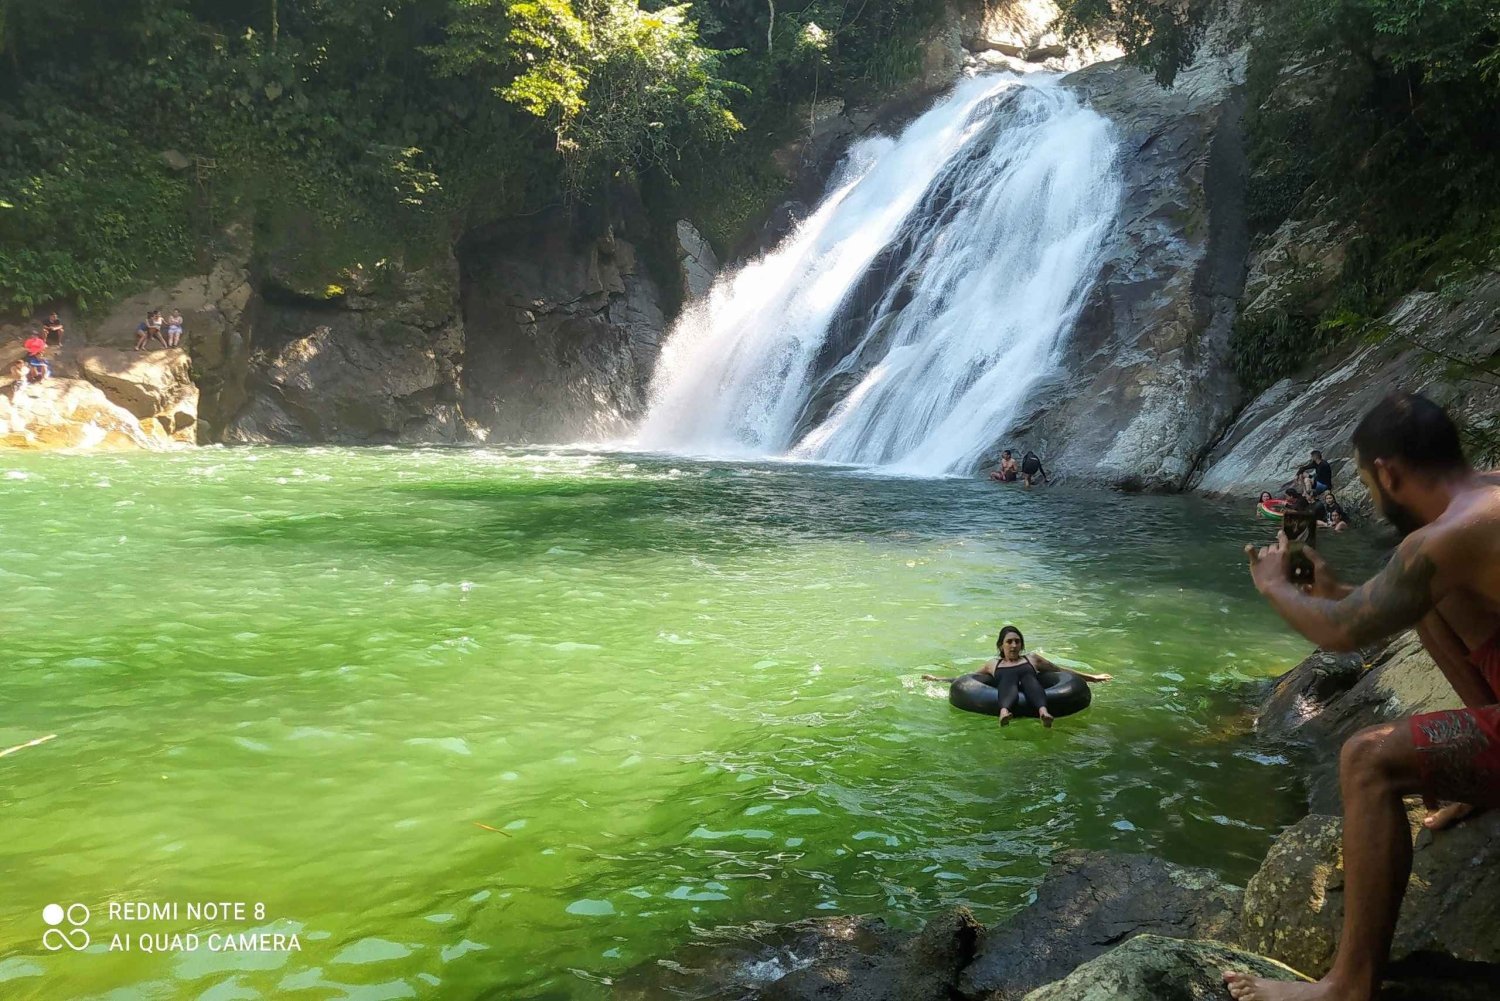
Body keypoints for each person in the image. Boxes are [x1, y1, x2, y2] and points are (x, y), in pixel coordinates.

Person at [1227, 392, 1500, 1001]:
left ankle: (1346, 987)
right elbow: (1378, 605)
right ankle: (1479, 778)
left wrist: (1276, 585)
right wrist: (1338, 589)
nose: (1370, 499)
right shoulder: (1480, 503)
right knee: (1433, 604)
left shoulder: (1444, 539)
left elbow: (1340, 632)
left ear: (1387, 473)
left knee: (1366, 760)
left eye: (1365, 483)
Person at [923, 626, 1113, 727]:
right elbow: (968, 679)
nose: (1013, 645)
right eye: (1009, 642)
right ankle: (1005, 711)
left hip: (1031, 687)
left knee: (1028, 678)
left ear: (1021, 645)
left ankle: (1043, 712)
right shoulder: (994, 664)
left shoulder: (1032, 659)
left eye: (1017, 641)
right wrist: (938, 679)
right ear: (1001, 646)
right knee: (1008, 678)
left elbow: (1060, 671)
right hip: (1007, 688)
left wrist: (1092, 678)